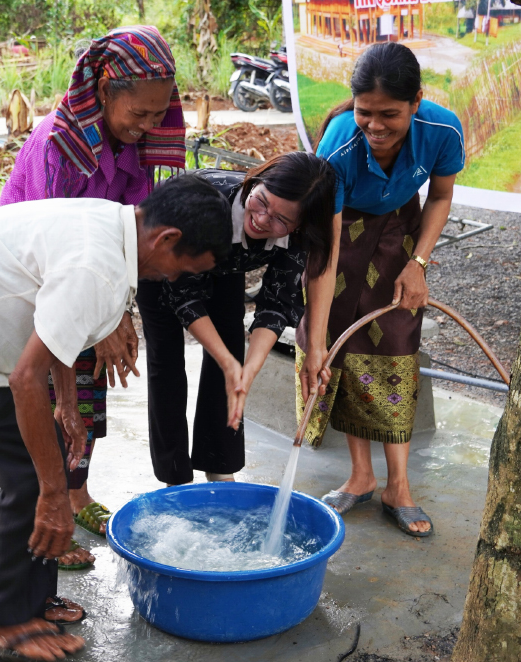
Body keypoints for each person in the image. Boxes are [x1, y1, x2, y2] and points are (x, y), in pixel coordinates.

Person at [0, 176, 231, 661]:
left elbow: (59, 326)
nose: (171, 280)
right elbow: (27, 379)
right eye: (180, 268)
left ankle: (32, 599)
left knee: (50, 462)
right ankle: (5, 618)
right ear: (166, 238)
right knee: (33, 472)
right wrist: (52, 494)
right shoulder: (98, 266)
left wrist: (66, 403)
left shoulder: (114, 226)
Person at [0, 25, 186, 568]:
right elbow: (58, 252)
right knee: (44, 392)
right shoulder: (59, 146)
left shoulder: (136, 146)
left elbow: (131, 234)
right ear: (104, 92)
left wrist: (116, 312)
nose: (150, 126)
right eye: (141, 114)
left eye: (159, 114)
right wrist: (104, 321)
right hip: (33, 278)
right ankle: (45, 504)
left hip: (86, 276)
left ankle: (75, 494)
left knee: (86, 389)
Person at [297, 42, 465, 537]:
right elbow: (324, 258)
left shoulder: (441, 129)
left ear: (416, 101)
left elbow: (440, 194)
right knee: (344, 348)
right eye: (364, 113)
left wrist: (418, 263)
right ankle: (361, 475)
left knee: (395, 345)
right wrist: (317, 340)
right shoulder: (338, 148)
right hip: (340, 235)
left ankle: (399, 485)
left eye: (389, 114)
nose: (374, 126)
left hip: (400, 230)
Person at [138, 153, 337, 486]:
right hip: (163, 265)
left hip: (227, 266)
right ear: (256, 180)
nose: (261, 219)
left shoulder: (300, 233)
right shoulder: (210, 201)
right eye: (260, 202)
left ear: (300, 225)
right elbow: (183, 294)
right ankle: (174, 477)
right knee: (167, 363)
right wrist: (229, 364)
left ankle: (219, 463)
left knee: (231, 349)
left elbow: (276, 304)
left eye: (279, 220)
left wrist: (246, 369)